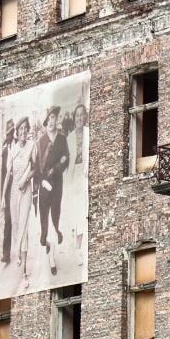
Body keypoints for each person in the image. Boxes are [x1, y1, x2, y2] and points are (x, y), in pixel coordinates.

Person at [34, 105, 70, 275]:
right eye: (48, 120)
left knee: (55, 215)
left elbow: (66, 159)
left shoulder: (62, 140)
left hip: (57, 183)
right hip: (44, 185)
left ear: (56, 120)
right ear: (45, 122)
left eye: (53, 118)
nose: (51, 122)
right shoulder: (41, 142)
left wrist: (55, 168)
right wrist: (40, 182)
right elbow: (36, 165)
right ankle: (48, 246)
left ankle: (52, 254)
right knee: (44, 218)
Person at [8, 117, 35, 287]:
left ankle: (24, 272)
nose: (24, 132)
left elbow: (34, 167)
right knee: (17, 226)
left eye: (26, 128)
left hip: (26, 190)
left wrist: (25, 179)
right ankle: (17, 252)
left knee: (24, 229)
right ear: (17, 133)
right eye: (21, 130)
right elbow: (9, 173)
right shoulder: (12, 149)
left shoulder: (32, 146)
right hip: (14, 192)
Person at [65, 104, 89, 264]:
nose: (79, 118)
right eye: (77, 115)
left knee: (82, 212)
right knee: (72, 211)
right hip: (73, 176)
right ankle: (73, 244)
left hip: (84, 175)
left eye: (82, 115)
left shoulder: (89, 134)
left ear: (85, 117)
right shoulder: (69, 137)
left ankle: (79, 248)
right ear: (74, 118)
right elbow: (68, 161)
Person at [0, 119, 16, 265]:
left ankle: (20, 251)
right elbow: (2, 173)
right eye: (8, 133)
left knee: (17, 221)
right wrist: (2, 196)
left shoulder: (18, 145)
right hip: (7, 189)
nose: (10, 135)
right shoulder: (4, 148)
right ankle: (6, 254)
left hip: (18, 188)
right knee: (8, 222)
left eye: (12, 132)